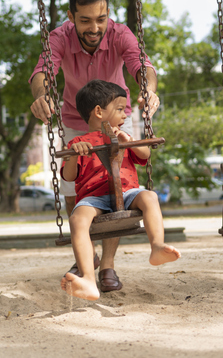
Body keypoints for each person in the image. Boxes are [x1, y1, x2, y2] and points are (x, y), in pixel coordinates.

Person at [29, 0, 160, 292]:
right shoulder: (59, 37)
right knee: (78, 192)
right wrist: (41, 96)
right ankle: (89, 254)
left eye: (100, 19)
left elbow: (141, 65)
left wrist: (148, 90)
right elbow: (42, 73)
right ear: (72, 16)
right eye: (85, 20)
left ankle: (108, 266)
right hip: (77, 119)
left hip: (117, 117)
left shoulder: (119, 33)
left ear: (108, 15)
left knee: (118, 188)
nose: (94, 27)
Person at [59, 80, 180, 300]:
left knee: (150, 196)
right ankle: (87, 278)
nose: (125, 114)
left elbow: (145, 155)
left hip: (127, 193)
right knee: (77, 219)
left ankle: (157, 246)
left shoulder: (123, 136)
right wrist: (74, 154)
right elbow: (69, 176)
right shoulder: (78, 142)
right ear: (98, 111)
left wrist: (130, 141)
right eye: (120, 109)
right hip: (93, 198)